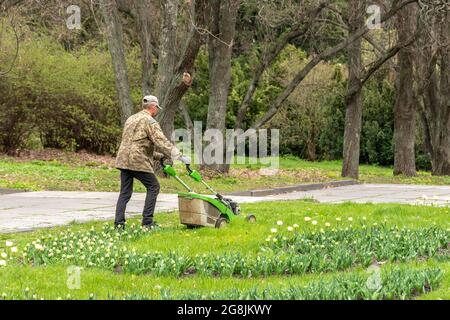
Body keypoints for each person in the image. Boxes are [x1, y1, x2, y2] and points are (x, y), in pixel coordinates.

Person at [114, 95, 190, 230]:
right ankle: (147, 222)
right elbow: (161, 141)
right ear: (153, 107)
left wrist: (158, 156)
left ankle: (119, 224)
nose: (157, 111)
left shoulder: (131, 119)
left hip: (123, 159)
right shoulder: (150, 121)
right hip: (137, 161)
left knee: (125, 192)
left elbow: (135, 143)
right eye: (157, 108)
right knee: (154, 187)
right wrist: (179, 156)